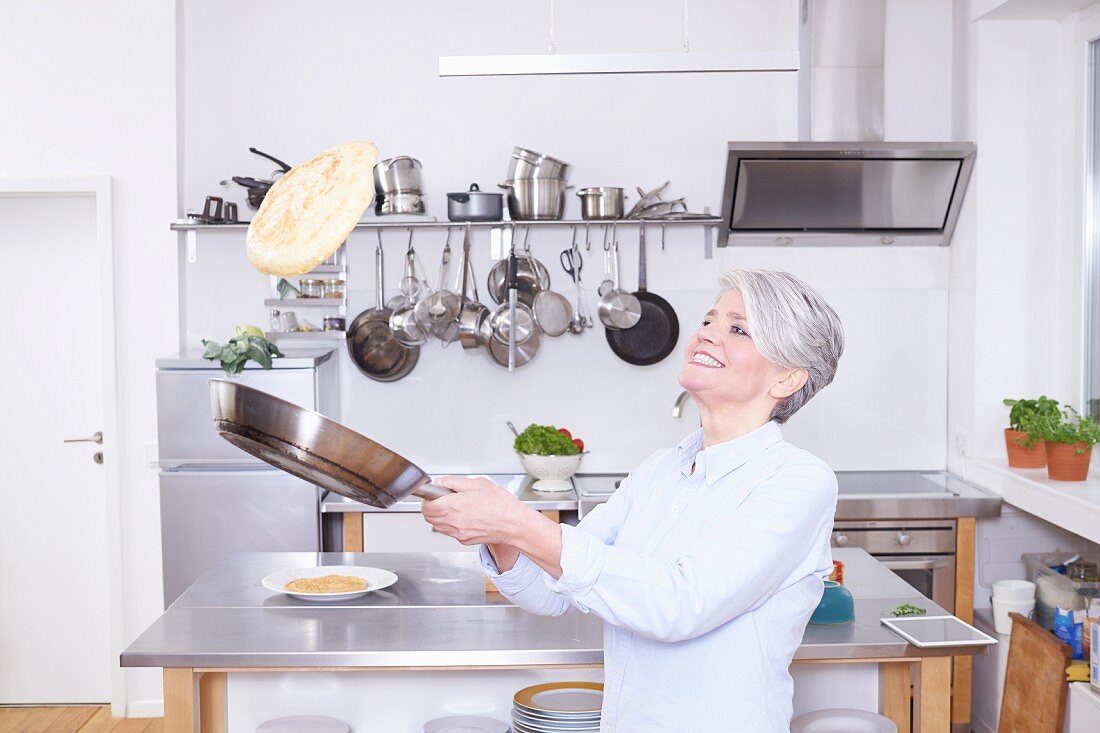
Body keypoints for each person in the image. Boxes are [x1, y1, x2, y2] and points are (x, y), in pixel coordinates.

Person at [422, 268, 845, 732]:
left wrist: (518, 523)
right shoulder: (662, 469)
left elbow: (682, 604)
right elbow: (550, 593)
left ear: (786, 379)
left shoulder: (798, 482)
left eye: (738, 329)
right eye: (709, 320)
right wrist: (501, 535)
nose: (706, 335)